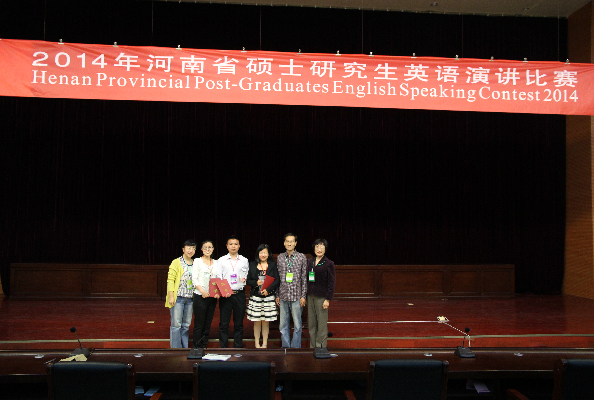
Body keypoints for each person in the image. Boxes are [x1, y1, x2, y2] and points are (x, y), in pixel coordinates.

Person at [275, 233, 308, 348]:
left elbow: (304, 278)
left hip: (296, 296)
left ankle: (295, 348)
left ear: (295, 243)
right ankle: (285, 347)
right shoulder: (280, 257)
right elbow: (278, 278)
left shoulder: (301, 257)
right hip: (283, 296)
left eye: (292, 241)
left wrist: (303, 296)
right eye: (287, 241)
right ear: (284, 243)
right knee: (283, 325)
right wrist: (277, 294)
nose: (289, 243)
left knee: (297, 325)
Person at [217, 236, 250, 348]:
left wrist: (244, 279)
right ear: (227, 246)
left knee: (239, 323)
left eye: (236, 244)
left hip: (239, 294)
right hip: (225, 295)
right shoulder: (221, 260)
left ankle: (238, 347)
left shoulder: (244, 260)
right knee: (224, 323)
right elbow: (219, 277)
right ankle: (223, 347)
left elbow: (246, 275)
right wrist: (224, 291)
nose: (233, 246)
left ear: (239, 246)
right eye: (231, 244)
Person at [246, 244, 280, 348]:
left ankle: (264, 343)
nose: (263, 255)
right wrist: (256, 283)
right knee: (256, 322)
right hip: (256, 297)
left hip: (268, 297)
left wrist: (268, 290)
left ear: (268, 254)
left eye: (265, 252)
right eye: (261, 252)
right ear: (258, 254)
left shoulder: (272, 265)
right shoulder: (252, 265)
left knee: (266, 322)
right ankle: (257, 343)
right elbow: (248, 280)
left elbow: (277, 280)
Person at [165, 239, 196, 348]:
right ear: (183, 249)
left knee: (186, 325)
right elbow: (170, 280)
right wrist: (171, 296)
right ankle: (176, 349)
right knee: (176, 325)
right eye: (188, 248)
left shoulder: (195, 263)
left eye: (193, 248)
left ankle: (184, 348)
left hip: (190, 298)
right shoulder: (176, 262)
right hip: (178, 298)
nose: (190, 250)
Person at [307, 238, 336, 348]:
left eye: (321, 246)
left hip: (322, 298)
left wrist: (327, 299)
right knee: (312, 324)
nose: (319, 249)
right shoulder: (310, 262)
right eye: (317, 246)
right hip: (310, 297)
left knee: (322, 325)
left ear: (325, 249)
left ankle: (321, 348)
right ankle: (312, 346)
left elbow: (331, 283)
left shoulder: (329, 263)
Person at [191, 240, 219, 349]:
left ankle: (204, 346)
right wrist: (202, 291)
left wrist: (217, 292)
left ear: (213, 249)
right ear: (202, 249)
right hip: (200, 296)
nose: (208, 249)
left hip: (212, 297)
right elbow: (194, 279)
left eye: (210, 247)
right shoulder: (197, 261)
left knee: (208, 323)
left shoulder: (216, 263)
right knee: (199, 323)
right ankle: (196, 347)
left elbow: (218, 279)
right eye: (205, 247)